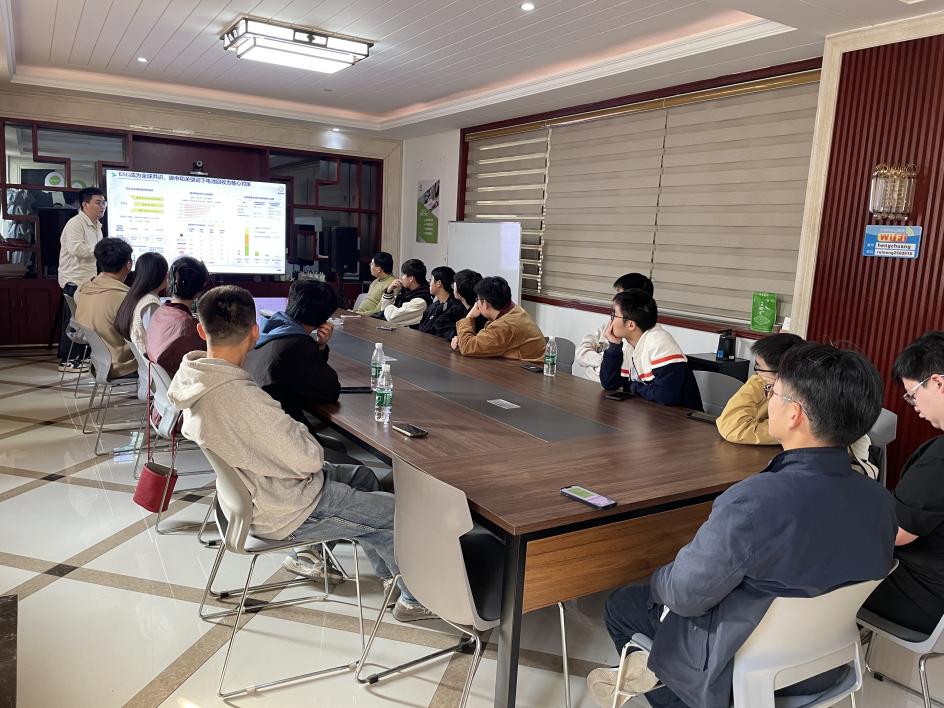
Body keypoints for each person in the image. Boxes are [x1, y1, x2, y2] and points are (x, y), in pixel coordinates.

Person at [591, 343, 897, 708]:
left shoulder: (754, 502)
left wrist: (657, 578)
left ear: (794, 414)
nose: (769, 399)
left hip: (737, 671)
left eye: (773, 392)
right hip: (825, 665)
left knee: (623, 604)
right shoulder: (882, 502)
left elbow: (685, 594)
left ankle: (673, 689)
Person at [166, 285, 433, 622]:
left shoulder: (196, 379)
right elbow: (309, 458)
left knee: (365, 478)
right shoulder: (241, 399)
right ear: (254, 331)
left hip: (255, 492)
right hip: (286, 508)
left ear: (201, 330)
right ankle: (414, 600)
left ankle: (390, 577)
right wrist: (297, 433)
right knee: (396, 514)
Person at [864, 331, 944, 634]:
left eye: (912, 394)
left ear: (937, 383)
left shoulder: (939, 459)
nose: (913, 405)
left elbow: (894, 533)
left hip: (925, 597)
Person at [717, 333, 878, 478]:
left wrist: (762, 382)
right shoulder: (801, 393)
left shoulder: (804, 405)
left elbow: (732, 427)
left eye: (759, 368)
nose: (757, 373)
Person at [244, 279, 341, 429]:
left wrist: (320, 347)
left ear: (290, 302)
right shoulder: (297, 344)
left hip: (253, 425)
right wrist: (317, 347)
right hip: (281, 432)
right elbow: (329, 391)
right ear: (324, 319)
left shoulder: (265, 331)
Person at [600, 289, 701, 409]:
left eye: (614, 315)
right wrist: (614, 347)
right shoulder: (631, 345)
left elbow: (666, 396)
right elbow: (609, 384)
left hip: (679, 417)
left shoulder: (660, 343)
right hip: (648, 412)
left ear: (631, 325)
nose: (610, 321)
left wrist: (635, 387)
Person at [57, 187, 106, 372]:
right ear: (85, 205)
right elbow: (76, 249)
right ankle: (66, 360)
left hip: (88, 280)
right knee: (73, 321)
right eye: (98, 202)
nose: (102, 206)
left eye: (104, 202)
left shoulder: (97, 225)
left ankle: (79, 357)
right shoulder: (75, 224)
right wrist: (101, 250)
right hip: (74, 280)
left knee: (83, 320)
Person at [74, 237, 136, 378]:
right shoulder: (125, 298)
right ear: (128, 265)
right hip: (124, 365)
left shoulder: (84, 289)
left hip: (98, 363)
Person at [576, 273, 654, 382]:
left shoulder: (638, 336)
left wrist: (597, 358)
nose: (614, 298)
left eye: (619, 293)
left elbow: (615, 372)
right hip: (586, 381)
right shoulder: (612, 322)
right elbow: (580, 353)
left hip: (606, 387)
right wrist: (603, 359)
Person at [451, 276, 545, 362]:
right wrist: (463, 340)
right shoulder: (514, 310)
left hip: (526, 371)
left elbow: (468, 347)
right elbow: (481, 343)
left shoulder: (504, 325)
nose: (477, 304)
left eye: (478, 300)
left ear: (485, 304)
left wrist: (470, 317)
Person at [145, 256, 209, 378]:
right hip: (182, 383)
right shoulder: (189, 327)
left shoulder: (160, 312)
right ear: (202, 287)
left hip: (160, 383)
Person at [115, 251, 169, 356]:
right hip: (148, 361)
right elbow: (155, 340)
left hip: (139, 358)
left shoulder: (134, 294)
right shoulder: (150, 303)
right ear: (160, 275)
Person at [377, 258, 432, 327]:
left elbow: (392, 317)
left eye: (403, 274)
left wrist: (388, 308)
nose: (401, 278)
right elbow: (385, 311)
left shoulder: (420, 301)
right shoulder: (407, 291)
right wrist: (389, 291)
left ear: (411, 278)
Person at [417, 266, 466, 340]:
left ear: (438, 283)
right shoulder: (433, 306)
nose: (429, 283)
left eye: (431, 280)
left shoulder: (455, 308)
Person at [453, 268, 486, 332]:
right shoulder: (459, 308)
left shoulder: (479, 316)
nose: (452, 288)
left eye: (454, 285)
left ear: (458, 292)